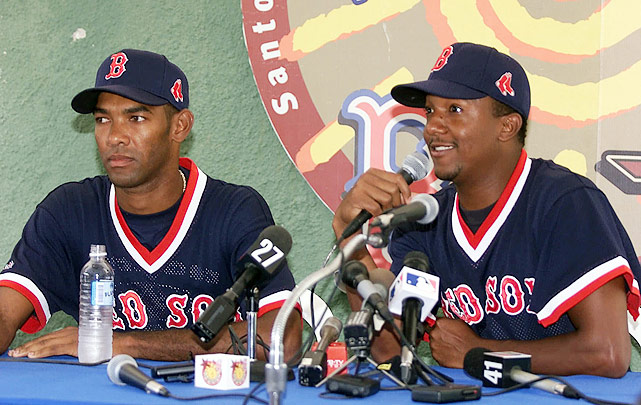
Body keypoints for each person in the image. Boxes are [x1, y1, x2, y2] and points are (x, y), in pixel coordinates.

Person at [332, 42, 641, 377]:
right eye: (430, 111)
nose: (432, 127)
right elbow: (389, 351)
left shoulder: (565, 202)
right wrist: (349, 238)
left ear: (507, 126)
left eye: (454, 110)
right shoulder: (424, 218)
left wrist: (479, 353)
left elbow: (607, 353)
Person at [0, 49, 301, 361]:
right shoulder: (70, 210)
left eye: (136, 118)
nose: (115, 137)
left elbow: (283, 338)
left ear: (179, 126)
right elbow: (5, 312)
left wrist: (121, 344)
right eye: (103, 119)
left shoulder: (234, 211)